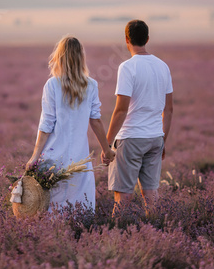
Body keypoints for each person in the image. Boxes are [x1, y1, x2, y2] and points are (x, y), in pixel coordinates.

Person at [27, 35, 115, 211]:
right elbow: (96, 121)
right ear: (80, 57)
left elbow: (46, 125)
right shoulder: (91, 85)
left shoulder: (52, 85)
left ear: (60, 57)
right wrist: (107, 150)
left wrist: (35, 157)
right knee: (81, 206)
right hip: (79, 158)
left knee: (52, 207)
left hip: (53, 158)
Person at [103, 19, 173, 215]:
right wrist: (163, 140)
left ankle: (117, 237)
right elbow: (169, 110)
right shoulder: (163, 67)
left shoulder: (127, 67)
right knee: (151, 194)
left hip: (131, 138)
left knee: (123, 196)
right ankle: (158, 232)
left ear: (126, 40)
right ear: (147, 39)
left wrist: (107, 144)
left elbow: (121, 110)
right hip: (155, 139)